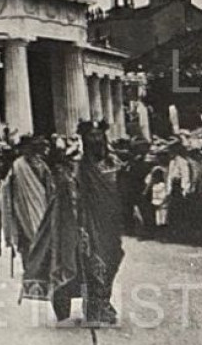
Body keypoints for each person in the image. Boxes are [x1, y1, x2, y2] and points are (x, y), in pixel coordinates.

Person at [23, 123, 125, 326]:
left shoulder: (113, 162)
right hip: (87, 224)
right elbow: (68, 197)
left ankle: (100, 303)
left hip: (110, 223)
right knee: (94, 263)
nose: (97, 142)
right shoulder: (77, 168)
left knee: (112, 259)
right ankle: (94, 306)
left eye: (100, 137)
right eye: (92, 138)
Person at [0, 136, 51, 258]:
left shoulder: (42, 165)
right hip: (23, 206)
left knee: (42, 234)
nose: (27, 151)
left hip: (40, 204)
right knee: (25, 238)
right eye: (25, 148)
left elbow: (49, 184)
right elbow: (7, 187)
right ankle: (29, 265)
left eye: (30, 148)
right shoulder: (17, 166)